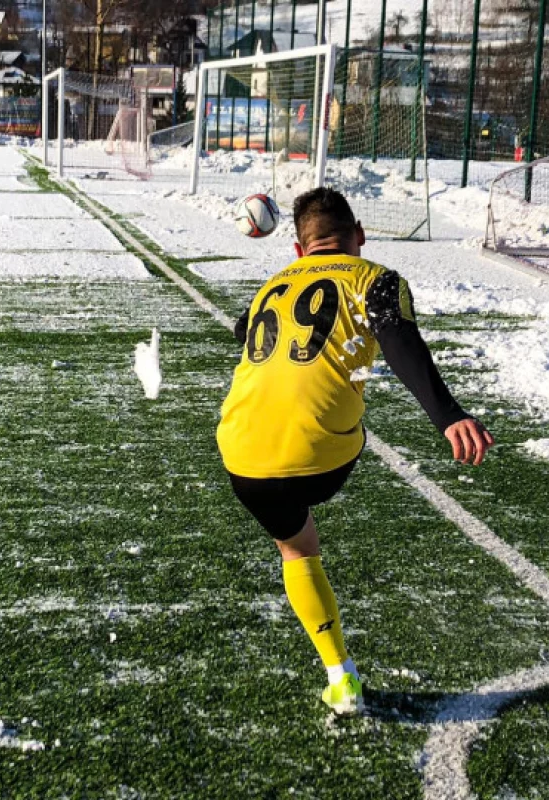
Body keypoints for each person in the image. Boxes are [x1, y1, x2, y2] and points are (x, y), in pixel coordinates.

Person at [216, 188, 495, 715]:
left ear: (300, 251)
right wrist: (448, 415)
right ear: (359, 236)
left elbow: (244, 332)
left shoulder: (270, 286)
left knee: (296, 549)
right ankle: (339, 670)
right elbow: (401, 344)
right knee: (345, 423)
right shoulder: (376, 279)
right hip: (324, 461)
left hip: (241, 454)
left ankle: (340, 675)